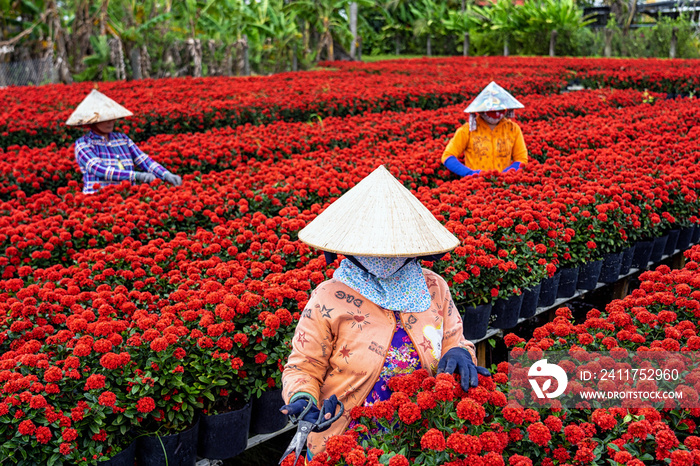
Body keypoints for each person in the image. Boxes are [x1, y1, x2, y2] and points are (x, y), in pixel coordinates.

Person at [280, 165, 491, 461]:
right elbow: (304, 366)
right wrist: (303, 398)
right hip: (346, 435)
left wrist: (459, 352)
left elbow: (455, 339)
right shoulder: (328, 297)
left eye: (393, 247)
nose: (383, 256)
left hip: (418, 431)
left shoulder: (433, 288)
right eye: (373, 247)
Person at [66, 89, 182, 194]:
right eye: (104, 119)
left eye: (112, 118)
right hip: (99, 199)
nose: (110, 122)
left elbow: (143, 160)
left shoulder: (122, 139)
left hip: (127, 197)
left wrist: (166, 174)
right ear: (91, 122)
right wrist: (136, 175)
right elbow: (100, 170)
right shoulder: (83, 144)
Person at [442, 81, 528, 176]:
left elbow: (521, 159)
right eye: (491, 110)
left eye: (499, 109)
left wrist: (505, 174)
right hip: (475, 185)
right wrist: (470, 173)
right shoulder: (467, 130)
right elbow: (447, 157)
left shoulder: (513, 129)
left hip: (503, 186)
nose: (496, 113)